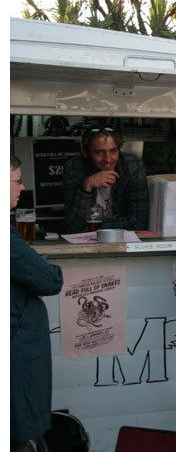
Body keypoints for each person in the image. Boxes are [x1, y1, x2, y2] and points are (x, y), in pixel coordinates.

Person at [10, 154, 64, 451]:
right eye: (17, 181)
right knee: (18, 433)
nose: (22, 188)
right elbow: (49, 280)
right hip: (15, 351)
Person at [62, 124, 148, 233]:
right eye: (99, 152)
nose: (108, 159)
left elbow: (138, 223)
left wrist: (94, 227)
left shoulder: (132, 167)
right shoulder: (73, 169)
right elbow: (73, 227)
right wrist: (87, 187)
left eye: (113, 151)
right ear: (85, 153)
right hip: (85, 242)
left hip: (122, 240)